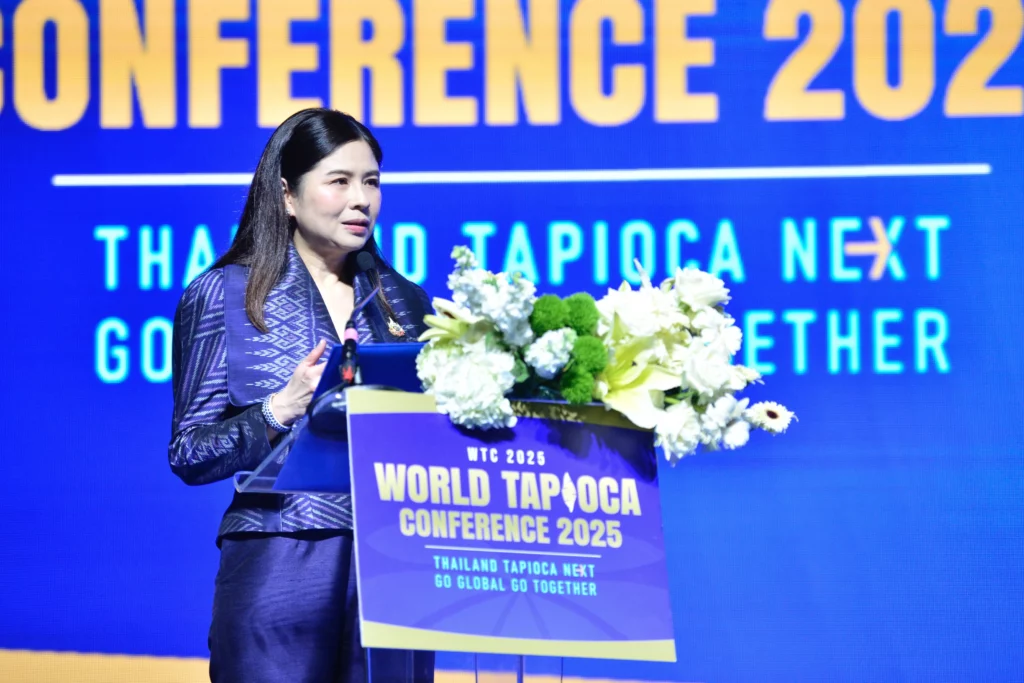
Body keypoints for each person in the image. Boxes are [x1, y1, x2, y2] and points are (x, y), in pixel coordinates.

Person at [169, 108, 435, 683]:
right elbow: (190, 453)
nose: (360, 200)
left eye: (371, 182)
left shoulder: (407, 302)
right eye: (339, 181)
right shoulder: (225, 295)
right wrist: (277, 409)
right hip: (280, 555)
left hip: (397, 559)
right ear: (288, 195)